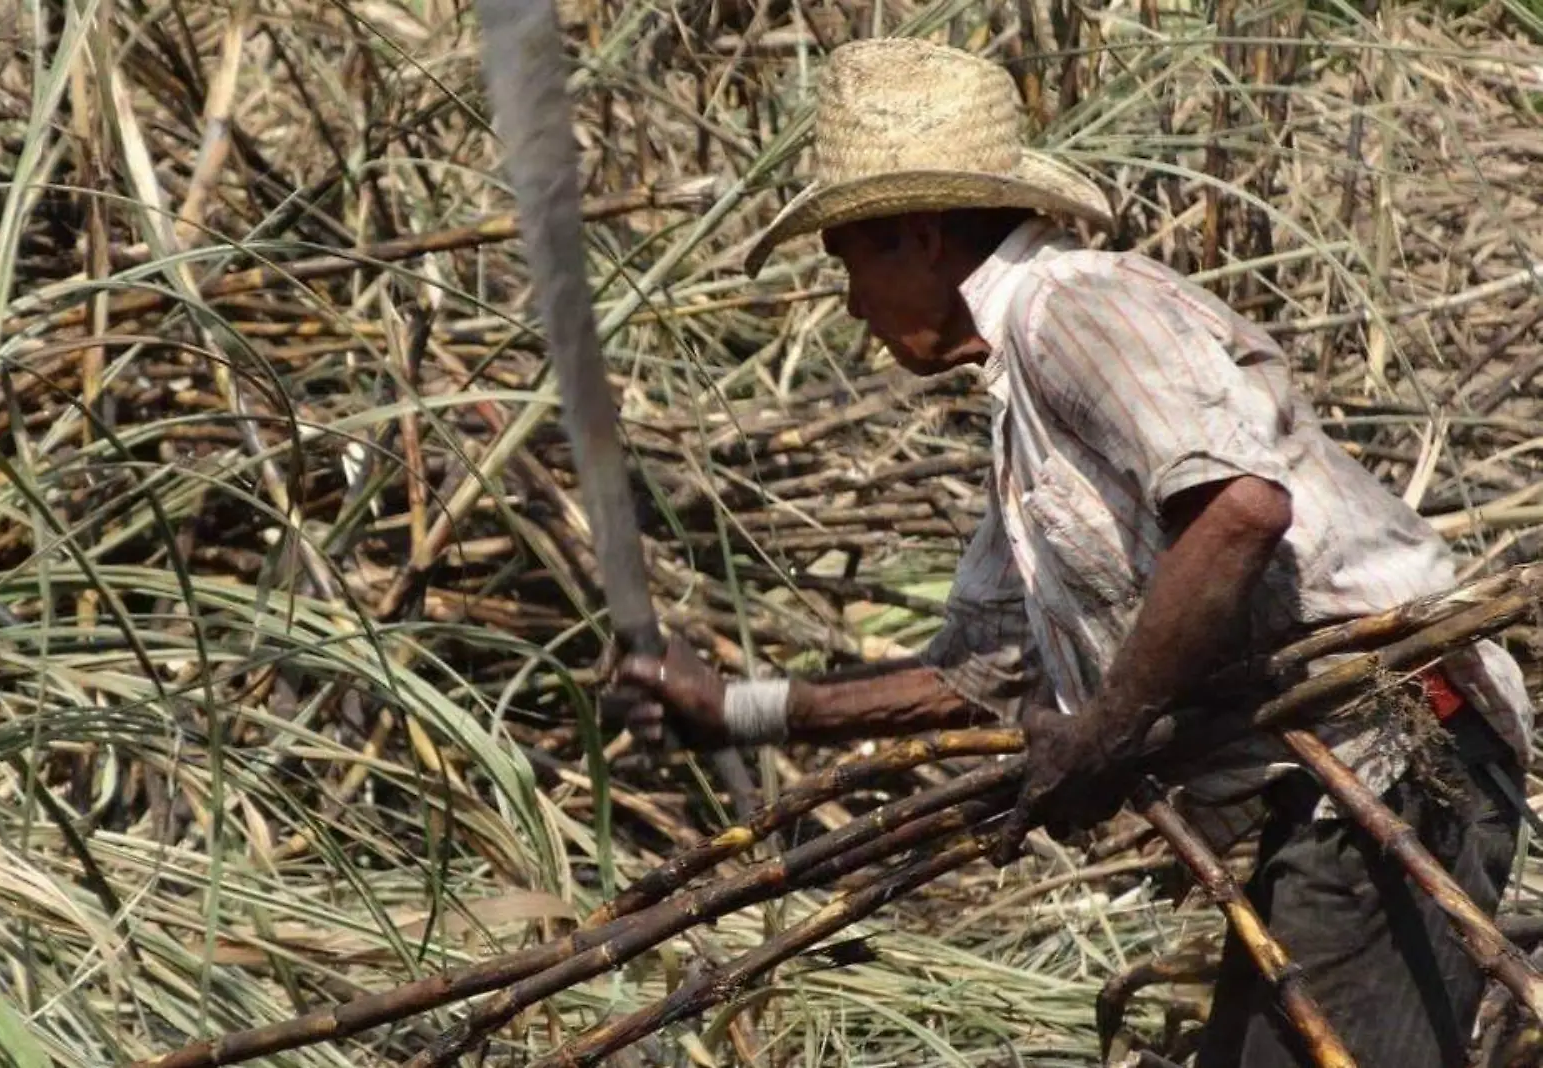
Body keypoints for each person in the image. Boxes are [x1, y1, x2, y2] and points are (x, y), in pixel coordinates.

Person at [610, 37, 1535, 1068]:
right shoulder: (1024, 422)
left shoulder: (1074, 307)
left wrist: (1107, 727)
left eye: (851, 263)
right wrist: (739, 710)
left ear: (917, 238)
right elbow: (977, 680)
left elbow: (1239, 511)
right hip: (1323, 795)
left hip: (1403, 760)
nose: (850, 305)